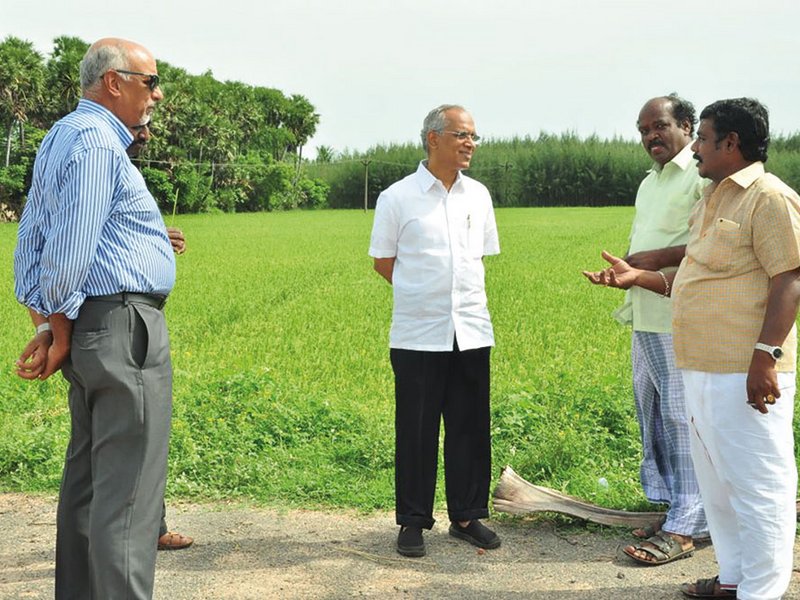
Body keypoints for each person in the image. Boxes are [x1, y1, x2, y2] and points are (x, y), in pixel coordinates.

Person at [584, 98, 800, 600]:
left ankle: (761, 592)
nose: (697, 148)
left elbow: (789, 277)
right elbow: (697, 274)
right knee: (719, 487)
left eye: (702, 138)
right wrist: (640, 277)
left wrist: (766, 356)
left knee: (758, 485)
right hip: (699, 366)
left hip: (741, 369)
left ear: (731, 143)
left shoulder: (768, 197)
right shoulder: (712, 197)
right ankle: (733, 579)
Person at [14, 38, 173, 599]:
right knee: (127, 499)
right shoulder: (97, 142)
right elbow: (68, 249)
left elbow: (29, 238)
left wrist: (47, 324)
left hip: (88, 331)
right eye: (149, 81)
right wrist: (57, 319)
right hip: (122, 327)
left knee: (87, 488)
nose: (156, 94)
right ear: (114, 82)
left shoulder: (62, 136)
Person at [369, 104, 501, 557]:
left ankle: (466, 516)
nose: (470, 144)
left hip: (471, 329)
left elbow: (478, 259)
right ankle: (412, 522)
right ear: (434, 138)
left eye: (473, 136)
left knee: (469, 427)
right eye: (462, 135)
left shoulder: (479, 196)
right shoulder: (397, 197)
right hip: (417, 335)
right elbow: (384, 264)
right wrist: (424, 294)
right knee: (416, 430)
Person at [588, 95, 708, 566]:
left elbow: (709, 245)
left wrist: (652, 262)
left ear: (686, 126)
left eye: (659, 126)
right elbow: (649, 245)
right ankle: (682, 507)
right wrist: (624, 270)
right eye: (643, 131)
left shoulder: (701, 176)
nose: (650, 137)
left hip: (680, 316)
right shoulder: (650, 181)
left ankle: (688, 524)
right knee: (656, 414)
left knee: (684, 418)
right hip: (645, 311)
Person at [127, 121, 193, 552]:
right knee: (137, 429)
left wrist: (158, 236)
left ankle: (148, 525)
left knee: (140, 430)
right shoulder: (99, 161)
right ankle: (141, 531)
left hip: (139, 317)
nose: (147, 136)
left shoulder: (127, 172)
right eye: (141, 127)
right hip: (122, 318)